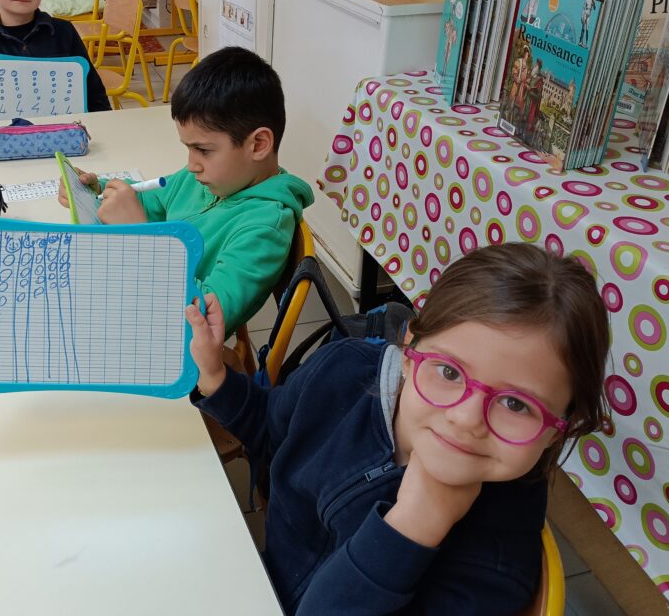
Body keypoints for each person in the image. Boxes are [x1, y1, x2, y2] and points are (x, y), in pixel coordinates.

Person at [185, 242, 609, 615]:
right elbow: (272, 432)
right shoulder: (341, 372)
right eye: (448, 371)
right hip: (256, 582)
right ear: (408, 351)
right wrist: (217, 378)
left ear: (559, 430)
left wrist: (410, 529)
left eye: (516, 404)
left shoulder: (495, 566)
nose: (465, 418)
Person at [60, 46, 314, 334]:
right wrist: (97, 189)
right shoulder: (208, 179)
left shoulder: (265, 228)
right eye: (189, 148)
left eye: (203, 150)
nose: (192, 165)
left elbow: (204, 325)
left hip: (173, 338)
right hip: (143, 301)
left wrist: (142, 241)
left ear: (258, 145)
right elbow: (148, 201)